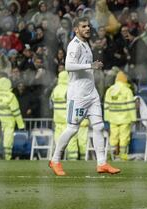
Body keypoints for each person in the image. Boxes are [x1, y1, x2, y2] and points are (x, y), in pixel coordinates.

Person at [49, 17, 120, 176]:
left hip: (91, 93)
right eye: (83, 26)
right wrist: (90, 65)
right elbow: (68, 66)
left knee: (99, 126)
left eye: (88, 26)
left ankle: (101, 163)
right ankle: (55, 160)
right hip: (78, 95)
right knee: (73, 128)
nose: (87, 28)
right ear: (76, 29)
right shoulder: (74, 45)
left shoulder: (86, 43)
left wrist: (92, 65)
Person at [104, 71, 137, 160]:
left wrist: (107, 118)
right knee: (124, 137)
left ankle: (111, 155)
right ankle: (123, 155)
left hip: (113, 118)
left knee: (113, 137)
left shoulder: (110, 90)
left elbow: (106, 106)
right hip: (125, 118)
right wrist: (134, 118)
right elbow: (131, 105)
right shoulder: (127, 90)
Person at [0, 77, 24, 160]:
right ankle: (7, 157)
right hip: (8, 121)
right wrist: (21, 125)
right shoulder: (11, 96)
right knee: (8, 140)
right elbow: (16, 112)